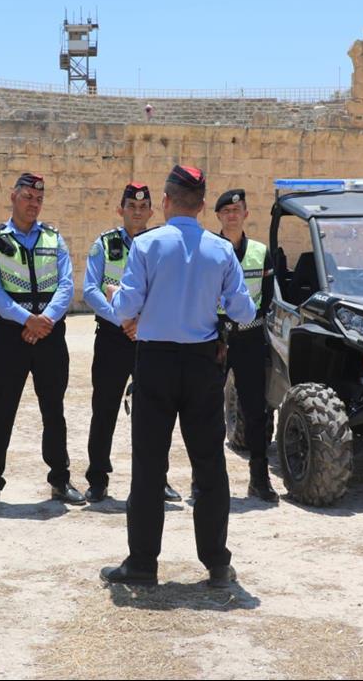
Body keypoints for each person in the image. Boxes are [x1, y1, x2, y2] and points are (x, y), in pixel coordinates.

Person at [100, 164, 255, 589]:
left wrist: (114, 296)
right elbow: (244, 311)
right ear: (203, 206)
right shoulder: (221, 250)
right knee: (209, 465)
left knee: (149, 465)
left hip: (156, 362)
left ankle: (142, 564)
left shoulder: (146, 245)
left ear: (166, 201)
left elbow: (126, 308)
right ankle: (217, 564)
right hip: (203, 364)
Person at [0, 172, 84, 510]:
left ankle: (60, 479)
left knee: (54, 410)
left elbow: (66, 285)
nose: (33, 204)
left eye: (39, 199)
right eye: (27, 197)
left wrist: (44, 321)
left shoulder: (55, 238)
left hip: (49, 333)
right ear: (13, 197)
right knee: (1, 409)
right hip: (10, 335)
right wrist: (28, 320)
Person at [81, 182, 180, 504]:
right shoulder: (104, 244)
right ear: (120, 209)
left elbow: (168, 289)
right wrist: (121, 319)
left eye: (143, 207)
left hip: (150, 338)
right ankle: (98, 478)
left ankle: (157, 478)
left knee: (154, 412)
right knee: (105, 408)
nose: (137, 212)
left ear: (151, 211)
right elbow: (91, 289)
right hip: (113, 337)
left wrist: (143, 322)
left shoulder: (160, 245)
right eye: (131, 206)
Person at [215, 188, 278, 502]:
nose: (232, 216)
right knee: (208, 410)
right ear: (218, 216)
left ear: (246, 214)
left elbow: (267, 297)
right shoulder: (209, 249)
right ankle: (206, 479)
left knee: (255, 411)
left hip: (251, 338)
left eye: (236, 211)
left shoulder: (260, 251)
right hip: (216, 338)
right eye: (226, 211)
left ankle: (259, 479)